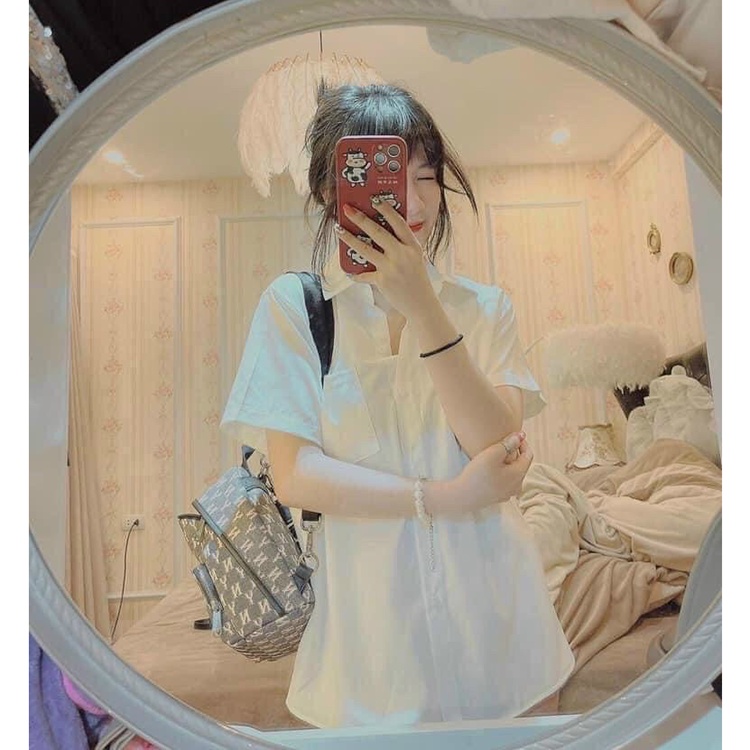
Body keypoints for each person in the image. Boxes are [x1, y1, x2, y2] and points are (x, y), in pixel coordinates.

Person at [221, 82, 574, 728]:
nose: (410, 200)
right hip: (370, 658)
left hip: (505, 634)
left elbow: (496, 446)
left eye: (427, 176)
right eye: (382, 174)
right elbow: (297, 475)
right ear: (331, 190)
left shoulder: (485, 308)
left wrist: (424, 308)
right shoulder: (295, 309)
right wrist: (443, 497)